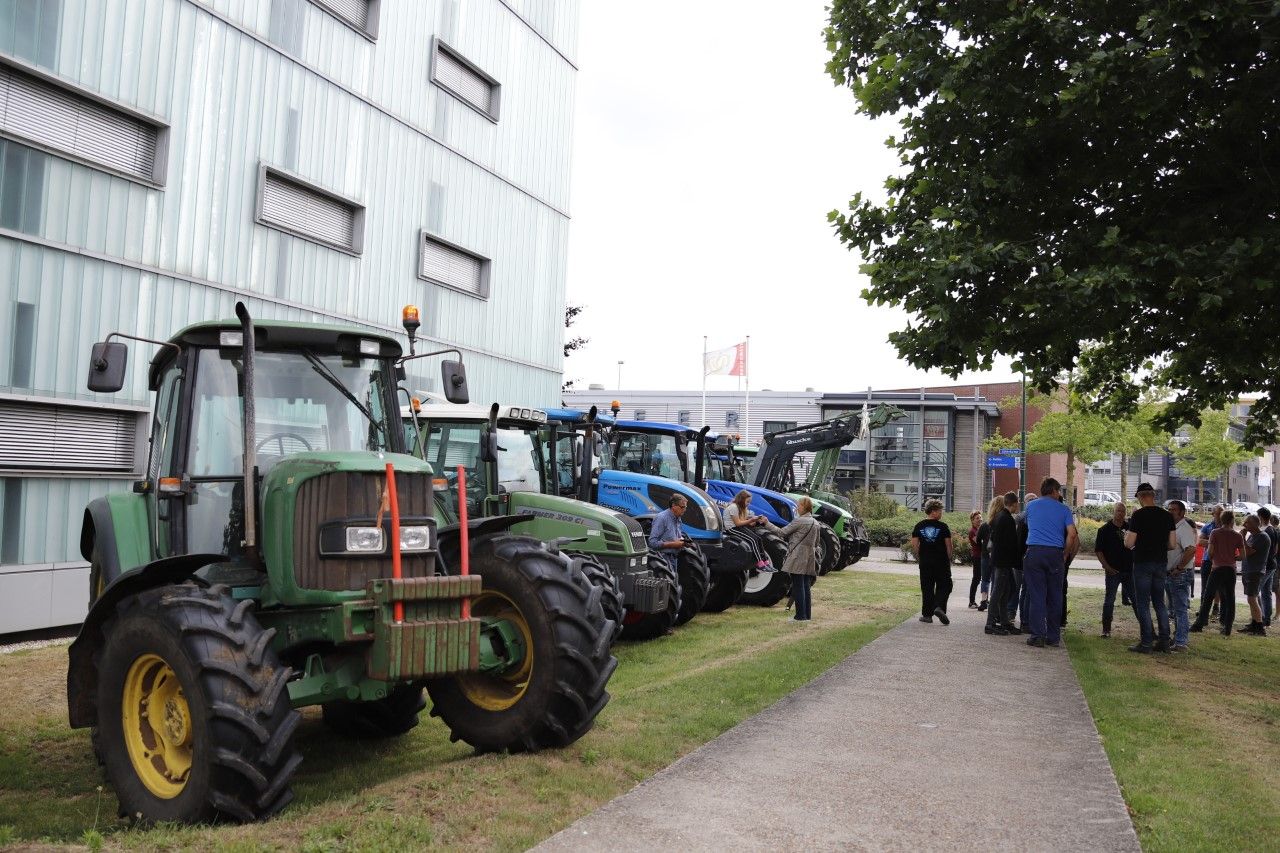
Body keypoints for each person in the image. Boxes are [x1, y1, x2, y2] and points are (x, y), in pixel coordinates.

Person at [1022, 479, 1077, 647]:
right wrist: (1065, 553)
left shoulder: (1031, 506)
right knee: (1055, 596)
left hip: (1035, 552)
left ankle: (1037, 635)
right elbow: (1072, 534)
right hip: (1055, 554)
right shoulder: (1064, 509)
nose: (1059, 494)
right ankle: (1053, 637)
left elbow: (1026, 524)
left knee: (1037, 595)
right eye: (1059, 491)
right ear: (1053, 490)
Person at [1124, 482, 1175, 653]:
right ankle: (1164, 641)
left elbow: (1129, 542)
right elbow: (1173, 544)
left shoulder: (1138, 516)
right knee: (1159, 602)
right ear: (1153, 495)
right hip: (1160, 562)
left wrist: (1130, 542)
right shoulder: (1167, 516)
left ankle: (1146, 643)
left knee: (1143, 603)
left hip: (1142, 562)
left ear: (1140, 497)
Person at [911, 499, 954, 625]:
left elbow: (915, 545)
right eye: (940, 511)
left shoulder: (919, 526)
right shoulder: (943, 526)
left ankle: (927, 615)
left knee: (927, 587)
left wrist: (921, 558)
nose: (941, 513)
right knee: (946, 585)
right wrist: (949, 559)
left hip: (925, 562)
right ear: (934, 511)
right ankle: (939, 607)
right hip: (941, 562)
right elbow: (949, 546)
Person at [1164, 500, 1198, 651]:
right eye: (1169, 509)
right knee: (1174, 609)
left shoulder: (1184, 528)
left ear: (1182, 512)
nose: (1170, 512)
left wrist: (1179, 567)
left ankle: (1181, 642)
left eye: (1174, 510)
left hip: (1180, 574)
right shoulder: (1173, 528)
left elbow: (1191, 549)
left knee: (1180, 609)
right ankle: (1177, 638)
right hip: (1171, 573)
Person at [778, 496, 820, 621]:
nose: (797, 507)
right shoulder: (816, 523)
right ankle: (807, 615)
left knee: (798, 585)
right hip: (810, 556)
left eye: (799, 505)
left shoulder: (799, 521)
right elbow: (817, 543)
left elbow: (781, 532)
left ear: (804, 507)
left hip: (798, 556)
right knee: (806, 586)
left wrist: (766, 523)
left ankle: (800, 616)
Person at [1094, 502, 1132, 639]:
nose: (1120, 514)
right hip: (1112, 571)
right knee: (1109, 600)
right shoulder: (1104, 530)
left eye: (1123, 511)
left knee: (1136, 601)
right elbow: (1098, 551)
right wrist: (1107, 567)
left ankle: (1147, 631)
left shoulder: (1130, 528)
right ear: (1113, 512)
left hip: (1129, 571)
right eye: (1118, 511)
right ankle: (1106, 629)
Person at [985, 492, 1021, 635]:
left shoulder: (1000, 517)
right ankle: (990, 623)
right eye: (1018, 504)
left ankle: (1004, 621)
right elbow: (1011, 543)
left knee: (1005, 591)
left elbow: (995, 538)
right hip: (1003, 562)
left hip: (1000, 560)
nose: (1018, 507)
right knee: (998, 592)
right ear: (1014, 504)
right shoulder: (1007, 519)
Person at [1202, 510, 1243, 635]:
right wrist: (1233, 558)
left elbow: (1210, 552)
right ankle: (1227, 627)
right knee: (1230, 598)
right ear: (1232, 520)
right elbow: (1243, 556)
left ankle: (1200, 622)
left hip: (1217, 568)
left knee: (1209, 595)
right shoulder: (1237, 536)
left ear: (1221, 519)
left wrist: (1216, 557)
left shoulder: (1215, 533)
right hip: (1230, 569)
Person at [723, 489, 776, 572]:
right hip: (732, 528)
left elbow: (745, 522)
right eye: (747, 501)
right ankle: (760, 564)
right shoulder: (733, 507)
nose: (748, 504)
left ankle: (766, 562)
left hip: (739, 527)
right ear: (741, 500)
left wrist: (756, 520)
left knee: (758, 539)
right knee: (752, 540)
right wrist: (751, 520)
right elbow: (737, 523)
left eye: (749, 502)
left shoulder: (742, 508)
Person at [1191, 505, 1224, 631]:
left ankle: (1216, 607)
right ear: (1213, 515)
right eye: (1217, 513)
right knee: (1205, 587)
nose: (1220, 515)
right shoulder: (1207, 526)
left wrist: (1209, 542)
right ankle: (1203, 611)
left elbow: (1224, 543)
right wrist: (1214, 542)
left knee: (1220, 587)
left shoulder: (1225, 527)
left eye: (1221, 513)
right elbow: (1200, 542)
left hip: (1220, 561)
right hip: (1207, 560)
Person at [1239, 514, 1269, 636]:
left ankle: (1260, 627)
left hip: (1255, 571)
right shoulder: (1253, 536)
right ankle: (1254, 623)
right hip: (1249, 570)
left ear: (1255, 524)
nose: (1244, 525)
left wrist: (1242, 538)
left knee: (1252, 598)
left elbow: (1249, 551)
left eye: (1246, 523)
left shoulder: (1262, 537)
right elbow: (1245, 553)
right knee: (1251, 599)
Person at [648, 494, 688, 571]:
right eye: (682, 507)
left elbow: (676, 537)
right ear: (673, 506)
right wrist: (673, 544)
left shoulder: (678, 519)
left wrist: (683, 542)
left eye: (686, 507)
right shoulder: (661, 518)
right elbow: (652, 543)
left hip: (673, 558)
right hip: (662, 559)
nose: (685, 509)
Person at [1261, 510, 1279, 628]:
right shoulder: (1274, 531)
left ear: (1261, 518)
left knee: (1255, 592)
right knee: (1267, 592)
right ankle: (1266, 617)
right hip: (1273, 564)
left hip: (1266, 566)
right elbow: (1276, 549)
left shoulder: (1267, 531)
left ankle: (1259, 617)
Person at [967, 510, 984, 609]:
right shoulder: (972, 531)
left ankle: (984, 599)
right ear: (972, 521)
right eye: (977, 518)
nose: (980, 519)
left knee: (983, 578)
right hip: (977, 557)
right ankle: (971, 601)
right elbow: (979, 542)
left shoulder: (981, 529)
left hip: (983, 557)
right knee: (976, 578)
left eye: (980, 517)